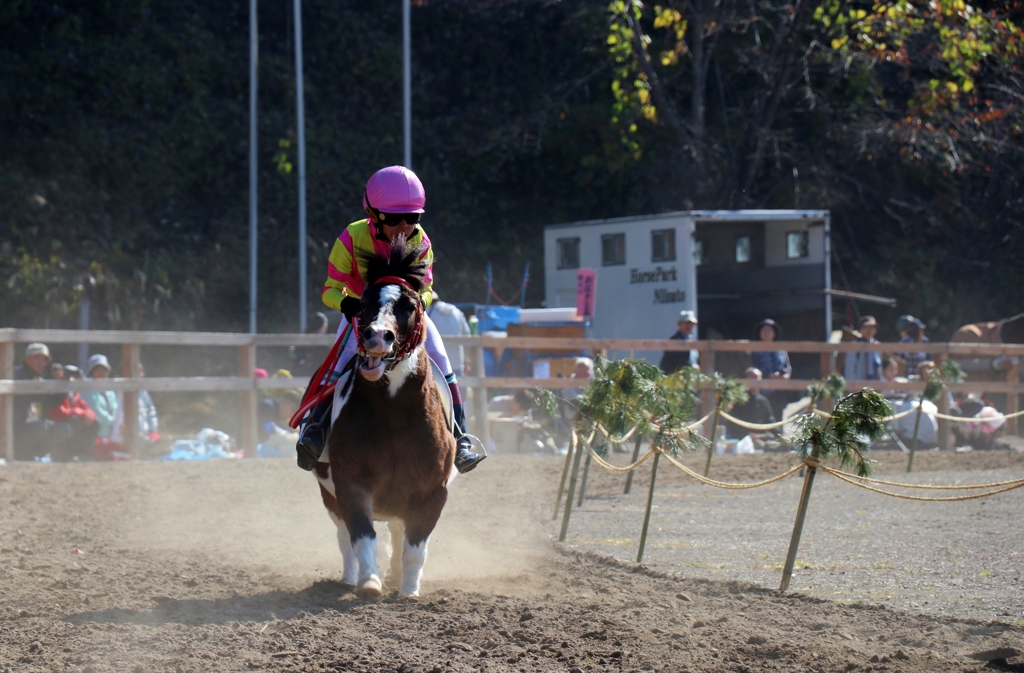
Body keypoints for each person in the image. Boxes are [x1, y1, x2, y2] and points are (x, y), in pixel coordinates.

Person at [295, 166, 483, 474]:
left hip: (405, 316)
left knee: (441, 360)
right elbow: (330, 289)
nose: (404, 226)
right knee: (339, 362)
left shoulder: (420, 241)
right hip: (361, 313)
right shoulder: (351, 237)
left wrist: (414, 305)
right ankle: (314, 430)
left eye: (413, 217)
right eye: (393, 218)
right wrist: (348, 304)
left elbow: (427, 291)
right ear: (371, 212)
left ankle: (461, 438)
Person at [46, 364, 98, 460]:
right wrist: (78, 413)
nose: (69, 379)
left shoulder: (73, 391)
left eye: (72, 377)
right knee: (74, 421)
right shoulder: (55, 389)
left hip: (70, 419)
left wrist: (89, 415)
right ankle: (66, 453)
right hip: (56, 421)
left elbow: (83, 406)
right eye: (67, 376)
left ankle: (80, 452)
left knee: (95, 422)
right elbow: (57, 413)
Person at [750, 319, 791, 419]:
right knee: (765, 414)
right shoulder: (756, 350)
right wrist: (768, 375)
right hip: (763, 388)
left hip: (779, 389)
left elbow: (787, 366)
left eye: (769, 330)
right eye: (763, 330)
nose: (766, 333)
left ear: (774, 333)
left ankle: (779, 433)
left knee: (779, 413)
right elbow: (753, 368)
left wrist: (785, 376)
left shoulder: (781, 349)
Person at [82, 354, 120, 460]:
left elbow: (116, 410)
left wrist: (117, 423)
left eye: (104, 369)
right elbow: (98, 413)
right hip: (97, 435)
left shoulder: (111, 393)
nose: (102, 372)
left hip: (113, 435)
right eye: (97, 368)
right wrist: (115, 422)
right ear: (92, 372)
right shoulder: (86, 391)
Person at [426, 291, 472, 376]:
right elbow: (467, 335)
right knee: (459, 388)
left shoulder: (427, 314)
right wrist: (466, 361)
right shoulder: (456, 312)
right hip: (457, 362)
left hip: (437, 365)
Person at [724, 368, 776, 439]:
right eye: (753, 377)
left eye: (758, 377)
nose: (756, 380)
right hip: (742, 439)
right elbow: (733, 423)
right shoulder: (737, 399)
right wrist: (747, 435)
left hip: (761, 437)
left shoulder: (763, 400)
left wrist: (783, 437)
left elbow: (770, 422)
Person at [843, 315, 882, 382]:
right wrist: (853, 387)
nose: (869, 330)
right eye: (867, 327)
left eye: (872, 328)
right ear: (861, 329)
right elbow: (850, 368)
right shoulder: (854, 345)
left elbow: (879, 368)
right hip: (858, 384)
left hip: (873, 385)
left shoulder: (877, 345)